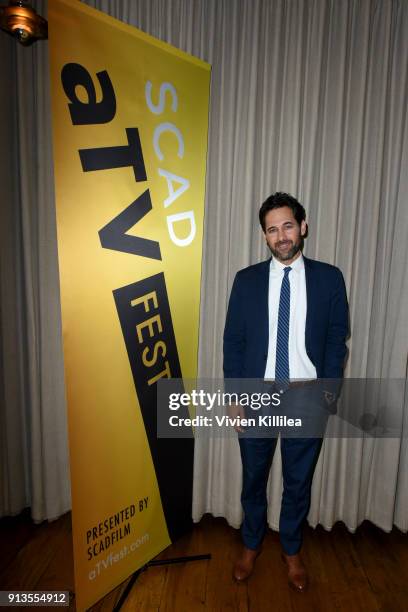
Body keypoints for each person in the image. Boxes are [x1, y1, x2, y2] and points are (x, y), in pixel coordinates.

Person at [223, 192, 349, 591]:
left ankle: (291, 550)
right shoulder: (246, 281)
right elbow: (234, 343)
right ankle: (251, 545)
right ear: (264, 235)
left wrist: (329, 392)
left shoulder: (330, 278)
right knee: (254, 478)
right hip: (257, 395)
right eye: (272, 229)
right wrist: (235, 396)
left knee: (298, 482)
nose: (281, 236)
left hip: (306, 396)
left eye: (288, 226)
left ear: (303, 226)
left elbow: (335, 339)